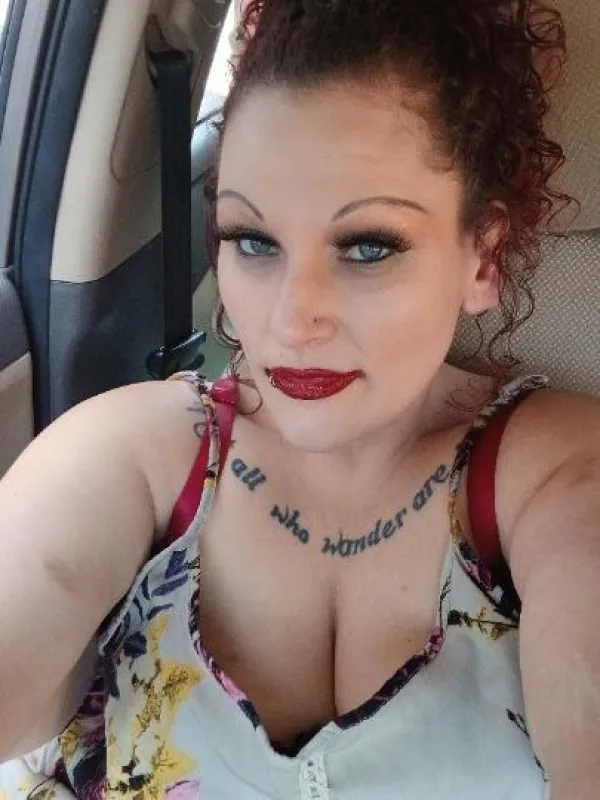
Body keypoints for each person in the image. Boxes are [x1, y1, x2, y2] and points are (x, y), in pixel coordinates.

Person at [1, 0, 599, 797]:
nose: (291, 321)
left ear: (482, 258)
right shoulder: (137, 452)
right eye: (253, 241)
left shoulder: (556, 475)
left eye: (367, 247)